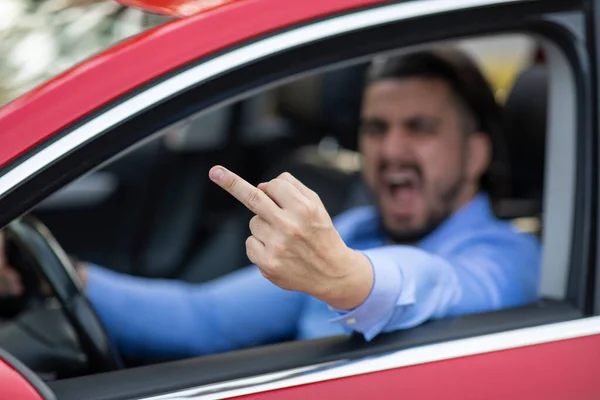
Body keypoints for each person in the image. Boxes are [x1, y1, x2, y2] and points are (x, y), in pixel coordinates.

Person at [0, 48, 541, 360]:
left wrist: (347, 276)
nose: (391, 149)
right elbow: (206, 319)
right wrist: (66, 276)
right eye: (376, 128)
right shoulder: (358, 229)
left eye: (419, 128)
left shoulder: (512, 258)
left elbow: (437, 283)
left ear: (476, 153)